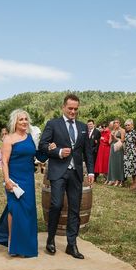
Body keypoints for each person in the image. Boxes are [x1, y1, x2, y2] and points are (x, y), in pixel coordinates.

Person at [39, 94, 95, 259]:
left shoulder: (83, 127)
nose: (73, 112)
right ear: (63, 107)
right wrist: (58, 152)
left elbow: (88, 152)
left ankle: (72, 244)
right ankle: (50, 239)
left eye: (75, 109)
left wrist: (91, 171)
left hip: (76, 173)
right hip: (58, 171)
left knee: (74, 209)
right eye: (70, 108)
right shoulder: (53, 124)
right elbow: (42, 145)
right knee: (56, 205)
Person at [0, 110, 47, 257]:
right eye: (21, 119)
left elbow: (38, 156)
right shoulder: (9, 139)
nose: (24, 122)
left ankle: (27, 246)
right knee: (14, 210)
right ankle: (12, 243)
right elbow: (4, 162)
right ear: (15, 122)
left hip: (28, 179)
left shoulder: (30, 138)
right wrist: (7, 180)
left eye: (26, 119)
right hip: (14, 180)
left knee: (28, 211)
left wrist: (50, 149)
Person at [122, 119, 136, 189]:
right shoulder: (126, 133)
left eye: (128, 125)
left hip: (133, 153)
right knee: (131, 168)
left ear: (132, 126)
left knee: (135, 168)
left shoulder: (134, 133)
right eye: (126, 125)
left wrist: (135, 150)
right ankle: (133, 183)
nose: (127, 126)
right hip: (128, 153)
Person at [106, 119, 125, 186]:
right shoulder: (113, 131)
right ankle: (113, 179)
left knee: (119, 163)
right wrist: (111, 136)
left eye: (117, 122)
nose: (116, 124)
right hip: (112, 146)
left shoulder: (122, 130)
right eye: (114, 123)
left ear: (120, 123)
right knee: (112, 163)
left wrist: (115, 137)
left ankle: (120, 179)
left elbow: (122, 140)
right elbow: (109, 142)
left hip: (119, 147)